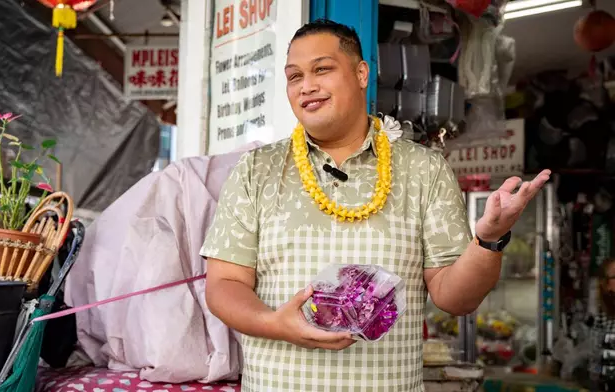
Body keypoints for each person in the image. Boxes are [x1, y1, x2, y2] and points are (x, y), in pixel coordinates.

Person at [200, 19, 551, 391]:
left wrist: (489, 239)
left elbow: (455, 298)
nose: (307, 86)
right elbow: (224, 284)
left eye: (322, 69)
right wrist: (274, 324)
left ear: (361, 73)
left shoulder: (424, 169)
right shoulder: (257, 170)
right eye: (294, 76)